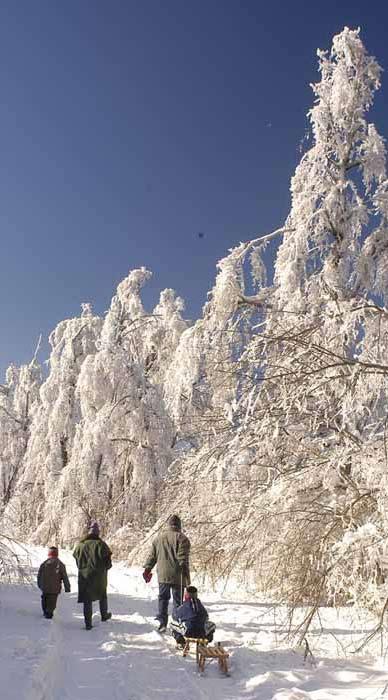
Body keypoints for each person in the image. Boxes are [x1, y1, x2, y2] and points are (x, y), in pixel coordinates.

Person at [143, 514, 190, 632]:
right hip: (178, 576)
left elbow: (152, 556)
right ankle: (177, 625)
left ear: (168, 525)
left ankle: (162, 623)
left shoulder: (158, 539)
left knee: (163, 598)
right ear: (179, 525)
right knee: (178, 602)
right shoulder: (182, 538)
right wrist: (186, 574)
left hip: (163, 575)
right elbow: (182, 559)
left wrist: (147, 569)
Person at [73, 521, 112, 630]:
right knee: (102, 595)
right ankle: (104, 616)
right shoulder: (102, 545)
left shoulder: (80, 545)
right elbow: (108, 563)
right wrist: (104, 569)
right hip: (99, 577)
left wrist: (82, 568)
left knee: (87, 599)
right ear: (98, 533)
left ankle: (88, 623)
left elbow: (76, 558)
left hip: (84, 576)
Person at [37, 546, 71, 619]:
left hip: (45, 587)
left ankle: (45, 613)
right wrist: (67, 587)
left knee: (44, 599)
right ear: (57, 554)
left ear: (49, 553)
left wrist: (40, 585)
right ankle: (49, 614)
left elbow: (39, 575)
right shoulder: (60, 564)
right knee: (52, 602)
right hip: (55, 588)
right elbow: (65, 577)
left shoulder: (44, 564)